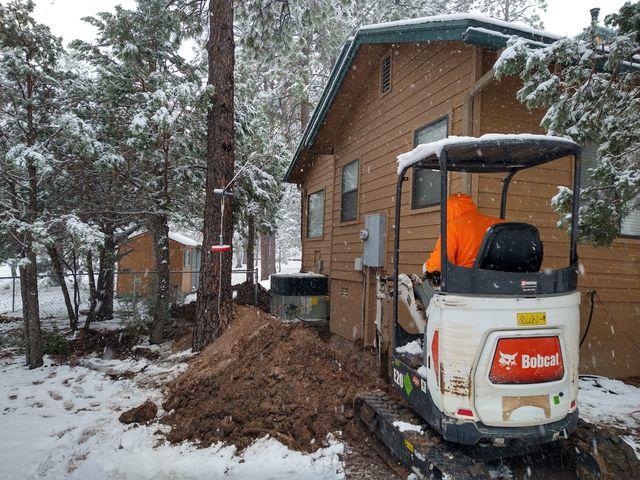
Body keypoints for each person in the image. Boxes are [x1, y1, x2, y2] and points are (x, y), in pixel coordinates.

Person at [423, 193, 504, 275]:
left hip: (466, 281)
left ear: (448, 210)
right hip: (499, 279)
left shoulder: (453, 228)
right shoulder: (499, 224)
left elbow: (439, 263)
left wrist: (427, 267)